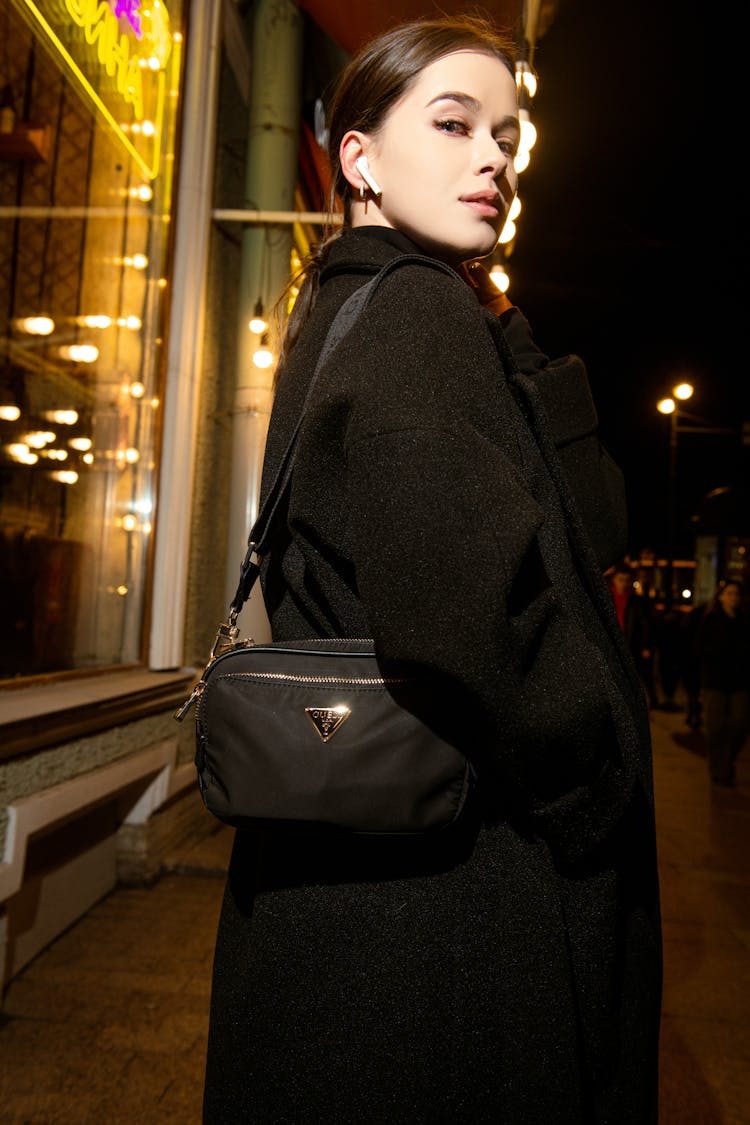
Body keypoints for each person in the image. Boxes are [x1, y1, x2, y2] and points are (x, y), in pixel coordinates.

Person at [203, 16, 662, 1124]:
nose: (493, 157)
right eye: (452, 124)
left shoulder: (365, 306)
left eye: (504, 132)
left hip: (364, 913)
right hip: (447, 923)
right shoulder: (410, 316)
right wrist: (592, 785)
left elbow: (594, 518)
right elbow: (464, 617)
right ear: (358, 156)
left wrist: (508, 330)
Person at [695, 580, 750, 786]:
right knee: (715, 727)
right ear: (721, 596)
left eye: (736, 593)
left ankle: (726, 760)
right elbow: (698, 648)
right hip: (715, 681)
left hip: (739, 682)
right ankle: (719, 769)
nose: (733, 597)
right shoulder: (711, 619)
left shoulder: (744, 621)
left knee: (739, 723)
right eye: (729, 593)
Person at [609, 562, 658, 708]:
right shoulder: (607, 598)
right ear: (614, 579)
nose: (623, 584)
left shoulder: (637, 601)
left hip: (631, 644)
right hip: (613, 644)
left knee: (635, 676)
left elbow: (644, 624)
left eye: (627, 580)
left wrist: (645, 646)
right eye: (620, 579)